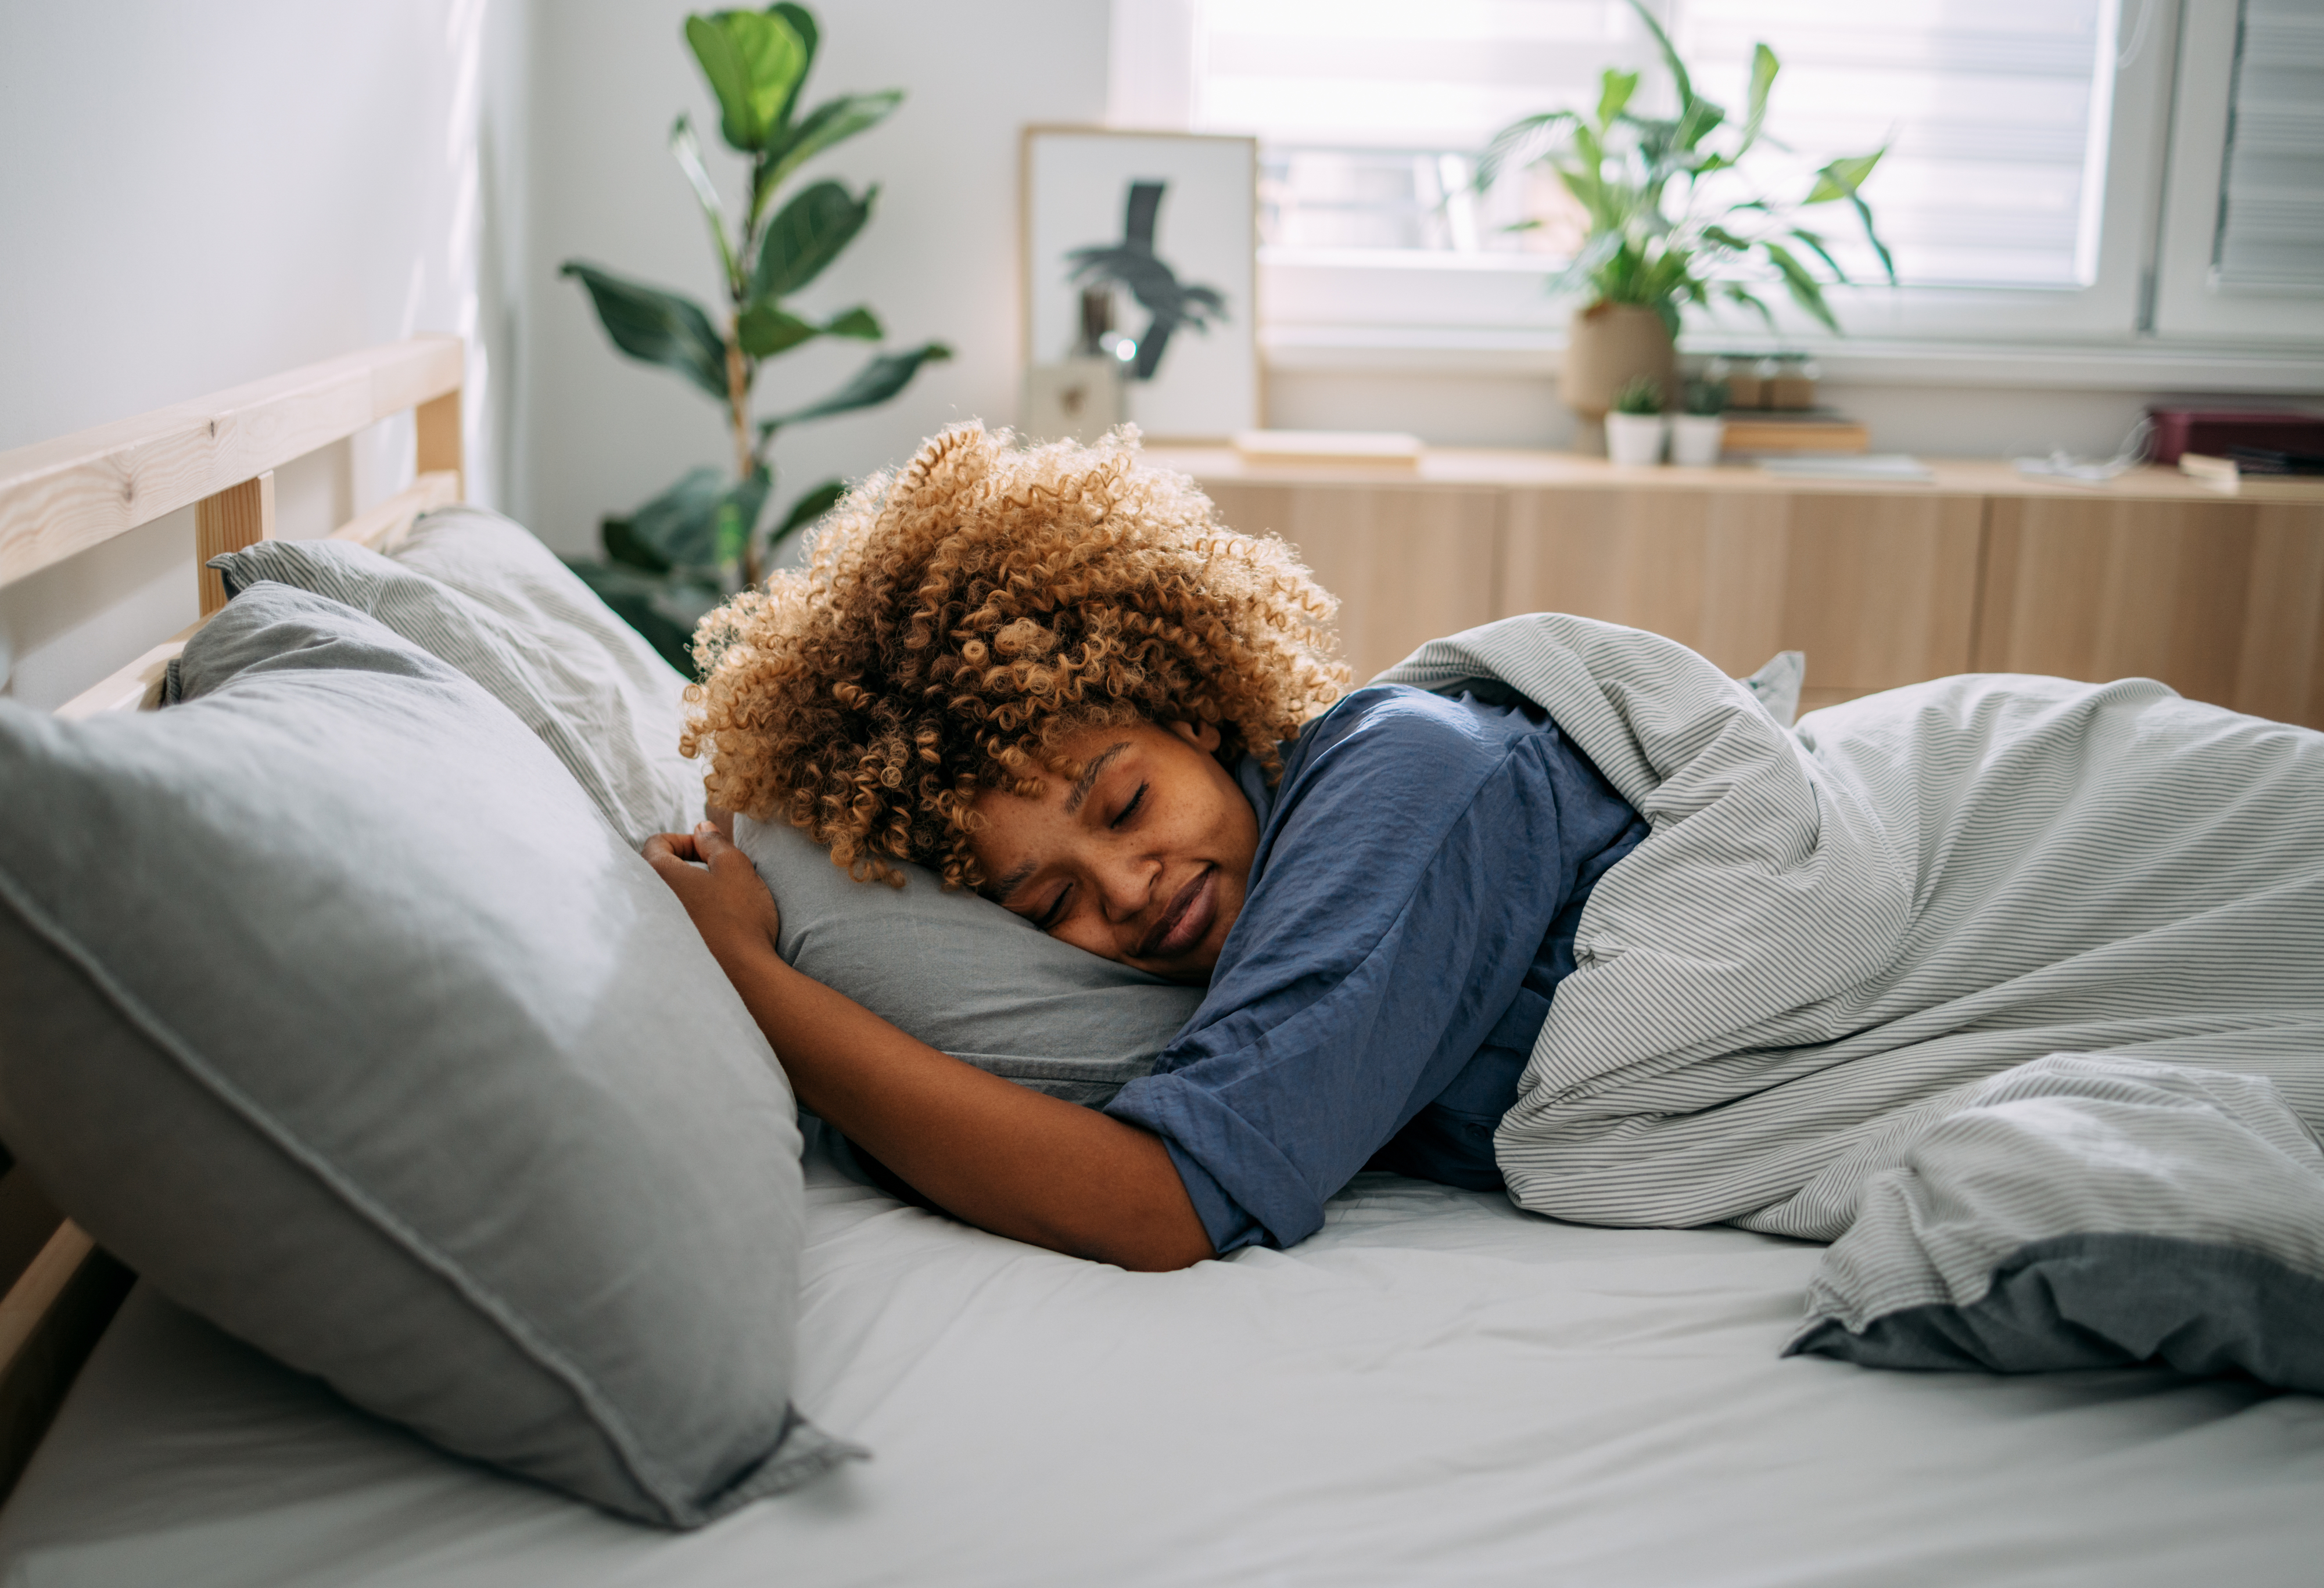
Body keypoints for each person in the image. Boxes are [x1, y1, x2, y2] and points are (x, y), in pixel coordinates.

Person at [645, 424, 1647, 1271]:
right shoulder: (1236, 932)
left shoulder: (1399, 777)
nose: (1125, 892)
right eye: (1049, 907)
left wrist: (751, 976)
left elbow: (1162, 1206)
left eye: (1125, 804)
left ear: (1195, 715)